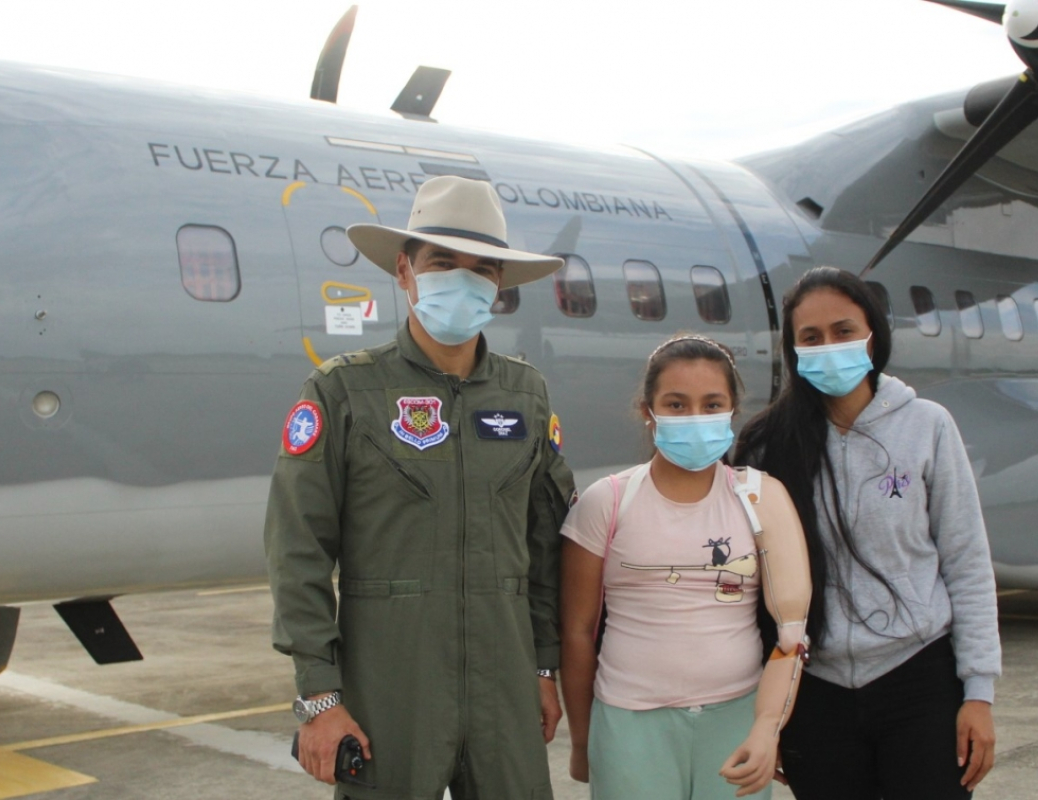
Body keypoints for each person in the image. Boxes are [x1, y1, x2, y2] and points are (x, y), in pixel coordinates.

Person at [264, 176, 577, 800]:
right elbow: (297, 552)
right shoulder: (343, 392)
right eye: (442, 263)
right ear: (404, 272)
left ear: (499, 287)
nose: (463, 280)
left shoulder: (526, 395)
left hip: (505, 692)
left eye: (482, 269)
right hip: (390, 693)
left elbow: (547, 546)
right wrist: (320, 698)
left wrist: (545, 667)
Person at [734, 266, 1001, 798]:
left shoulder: (927, 426)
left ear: (873, 335)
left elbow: (966, 561)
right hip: (815, 688)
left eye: (843, 330)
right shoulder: (767, 447)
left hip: (919, 679)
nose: (828, 346)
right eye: (811, 338)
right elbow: (754, 586)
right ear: (793, 349)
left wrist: (978, 692)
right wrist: (769, 715)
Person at [559, 334, 811, 800]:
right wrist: (582, 741)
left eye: (712, 403)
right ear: (647, 411)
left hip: (735, 719)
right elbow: (577, 632)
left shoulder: (761, 497)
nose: (695, 417)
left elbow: (792, 636)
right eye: (676, 404)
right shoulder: (606, 502)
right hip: (629, 726)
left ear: (733, 411)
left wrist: (765, 730)